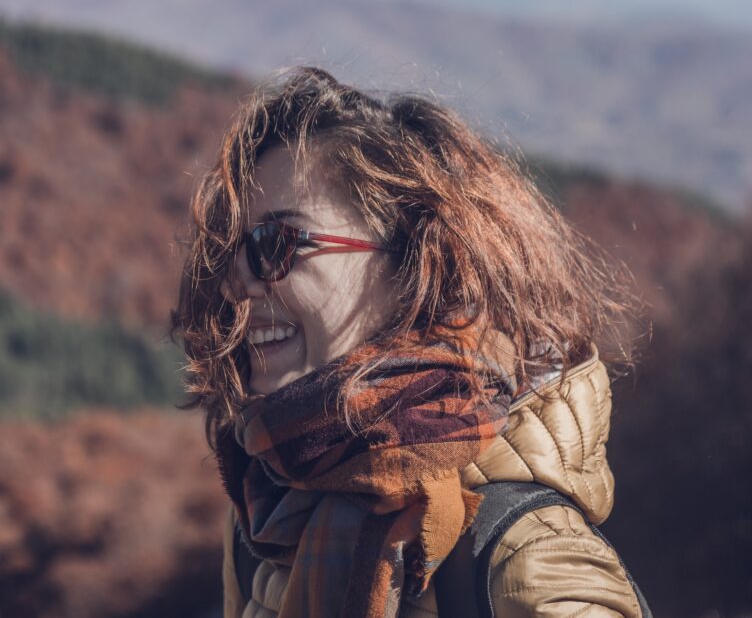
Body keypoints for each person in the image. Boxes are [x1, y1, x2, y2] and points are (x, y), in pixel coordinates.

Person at [172, 67, 646, 617]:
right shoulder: (263, 517)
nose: (238, 280)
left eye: (276, 243)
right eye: (230, 249)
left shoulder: (527, 564)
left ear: (412, 264)